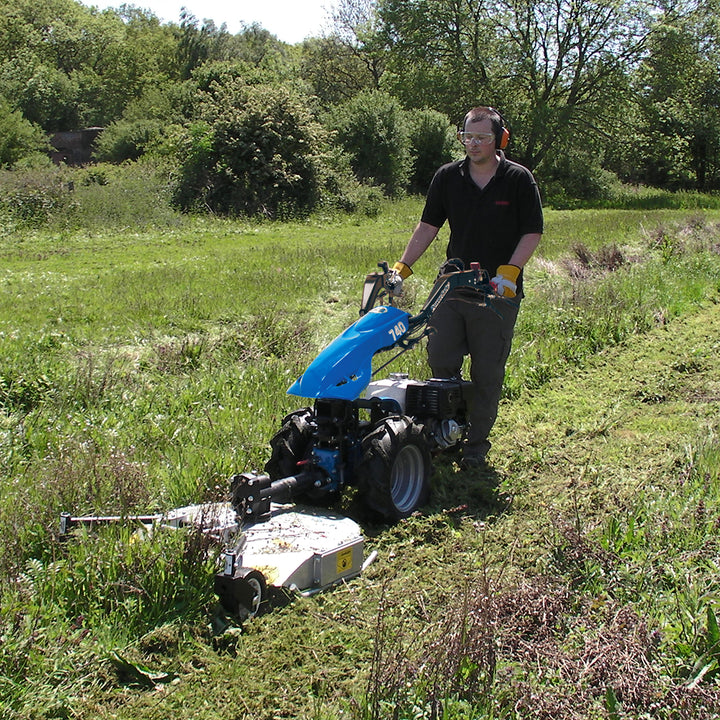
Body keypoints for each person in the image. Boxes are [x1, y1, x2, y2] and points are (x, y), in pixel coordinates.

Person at [388, 106, 543, 468]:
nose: (473, 144)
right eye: (467, 137)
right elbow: (428, 227)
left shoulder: (518, 179)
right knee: (440, 361)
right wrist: (402, 268)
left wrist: (510, 271)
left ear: (499, 139)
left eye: (482, 137)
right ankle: (445, 435)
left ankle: (475, 446)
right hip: (452, 285)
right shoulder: (448, 177)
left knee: (487, 373)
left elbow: (532, 231)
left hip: (496, 291)